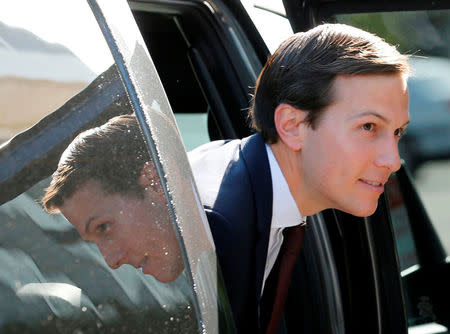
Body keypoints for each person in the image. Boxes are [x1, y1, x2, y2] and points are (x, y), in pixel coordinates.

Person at [188, 23, 410, 333]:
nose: (394, 160)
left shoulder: (242, 177)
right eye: (369, 127)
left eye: (398, 131)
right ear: (292, 126)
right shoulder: (219, 225)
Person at [42, 114, 185, 284]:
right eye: (94, 242)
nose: (111, 261)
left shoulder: (224, 227)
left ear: (157, 181)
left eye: (103, 227)